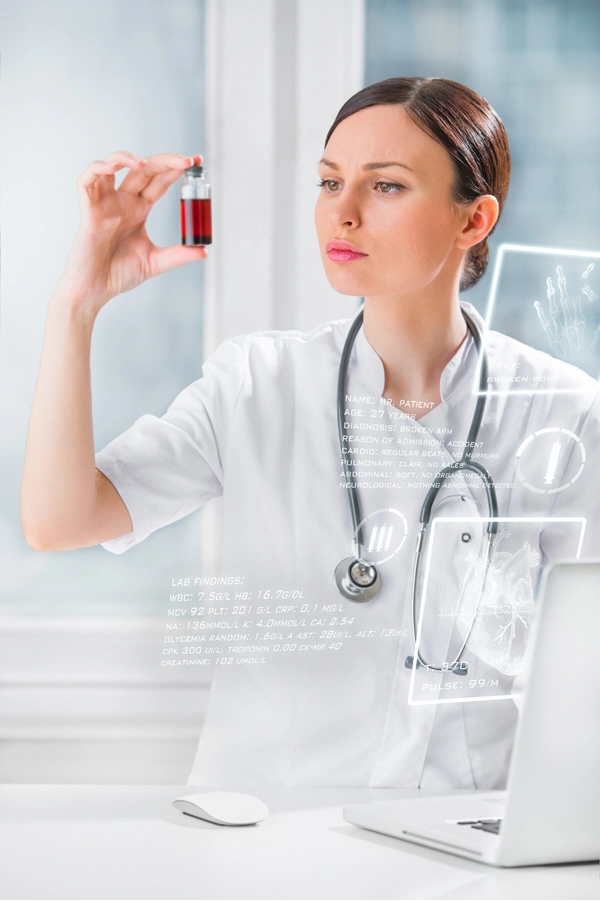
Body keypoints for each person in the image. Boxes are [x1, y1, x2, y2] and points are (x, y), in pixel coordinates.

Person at [21, 77, 600, 789]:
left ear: (473, 220)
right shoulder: (256, 385)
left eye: (385, 187)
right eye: (329, 183)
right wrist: (74, 307)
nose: (343, 214)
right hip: (269, 833)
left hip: (461, 838)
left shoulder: (563, 412)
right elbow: (60, 520)